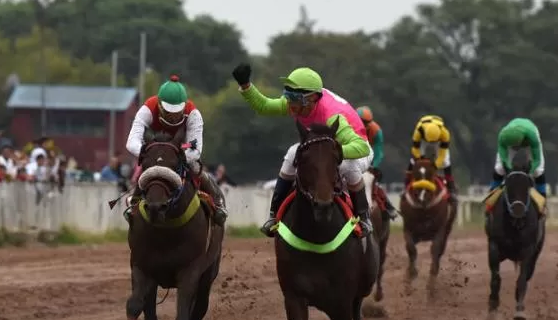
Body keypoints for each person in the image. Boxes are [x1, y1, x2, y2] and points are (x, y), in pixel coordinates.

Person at [231, 62, 374, 237]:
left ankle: (364, 217)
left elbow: (361, 147)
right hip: (321, 148)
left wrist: (335, 153)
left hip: (354, 149)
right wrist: (246, 86)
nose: (289, 102)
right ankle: (274, 215)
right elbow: (264, 106)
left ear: (312, 98)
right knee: (292, 154)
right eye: (287, 94)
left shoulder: (332, 115)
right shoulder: (298, 103)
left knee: (348, 166)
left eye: (294, 98)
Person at [124, 75, 227, 225]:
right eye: (168, 111)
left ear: (184, 105)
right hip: (156, 149)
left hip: (182, 148)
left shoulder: (193, 114)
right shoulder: (147, 108)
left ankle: (217, 204)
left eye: (176, 112)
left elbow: (196, 149)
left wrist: (176, 157)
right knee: (146, 168)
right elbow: (131, 142)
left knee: (195, 167)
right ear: (159, 104)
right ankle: (134, 203)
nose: (172, 116)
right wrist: (149, 153)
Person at [356, 106, 398, 220]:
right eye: (361, 122)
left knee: (374, 183)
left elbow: (379, 153)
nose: (364, 125)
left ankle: (388, 206)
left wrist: (372, 166)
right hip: (354, 157)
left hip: (369, 159)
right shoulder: (349, 127)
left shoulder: (376, 131)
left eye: (367, 123)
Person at [488, 117, 547, 196]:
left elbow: (537, 160)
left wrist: (530, 172)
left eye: (517, 145)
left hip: (529, 141)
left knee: (538, 170)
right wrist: (508, 169)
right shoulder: (502, 136)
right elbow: (503, 158)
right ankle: (492, 194)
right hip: (512, 141)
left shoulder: (532, 136)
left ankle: (542, 196)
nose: (517, 148)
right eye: (514, 146)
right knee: (500, 168)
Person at [405, 114, 457, 199]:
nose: (432, 144)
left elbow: (442, 154)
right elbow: (415, 149)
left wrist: (436, 165)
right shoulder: (418, 131)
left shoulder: (445, 134)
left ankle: (451, 188)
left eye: (434, 141)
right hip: (423, 140)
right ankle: (406, 185)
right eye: (431, 141)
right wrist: (419, 159)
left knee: (446, 162)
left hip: (439, 141)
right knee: (413, 160)